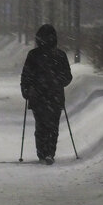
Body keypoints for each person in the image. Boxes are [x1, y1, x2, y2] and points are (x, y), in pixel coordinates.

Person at [20, 23, 72, 164]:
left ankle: (42, 152)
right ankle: (49, 152)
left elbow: (26, 76)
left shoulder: (34, 55)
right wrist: (56, 81)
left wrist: (27, 90)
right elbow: (67, 76)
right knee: (52, 126)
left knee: (41, 125)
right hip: (54, 96)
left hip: (38, 96)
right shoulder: (60, 55)